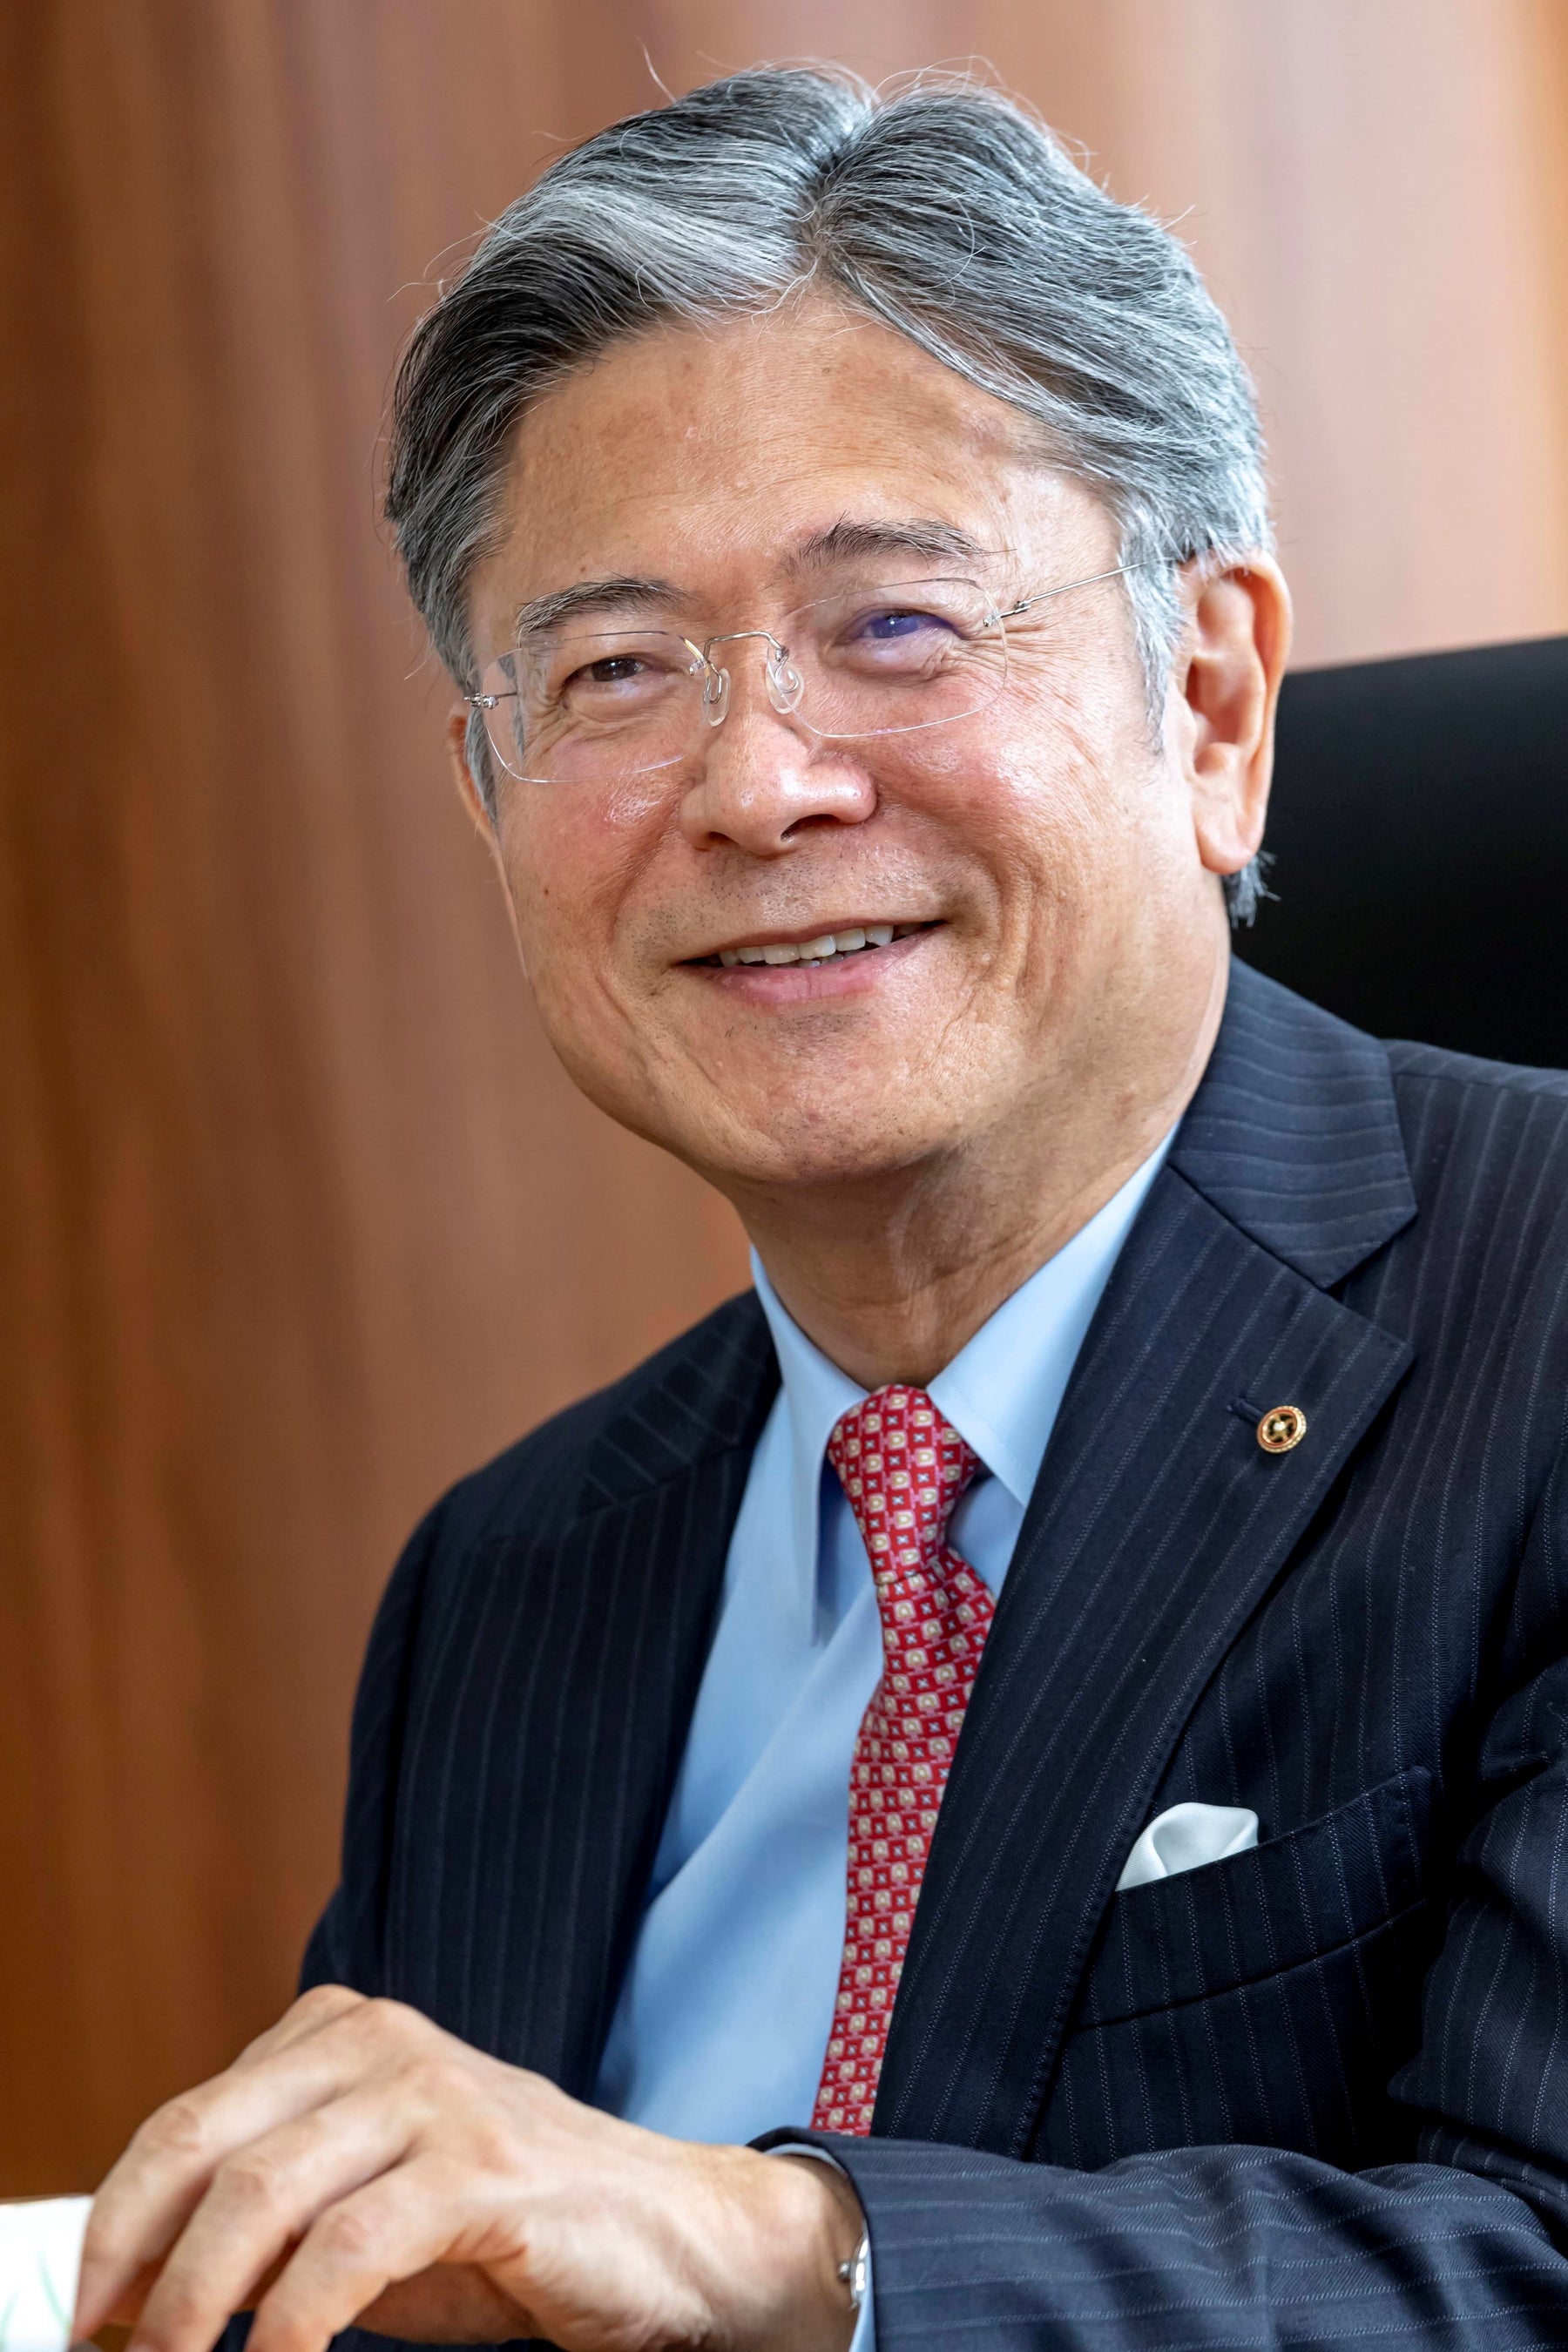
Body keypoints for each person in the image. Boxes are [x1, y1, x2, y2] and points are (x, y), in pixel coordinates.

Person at [72, 64, 1568, 2352]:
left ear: (1212, 699)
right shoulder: (509, 1581)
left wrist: (776, 2251)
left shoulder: (1536, 1328)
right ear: (489, 804)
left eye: (895, 625)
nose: (759, 784)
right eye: (614, 673)